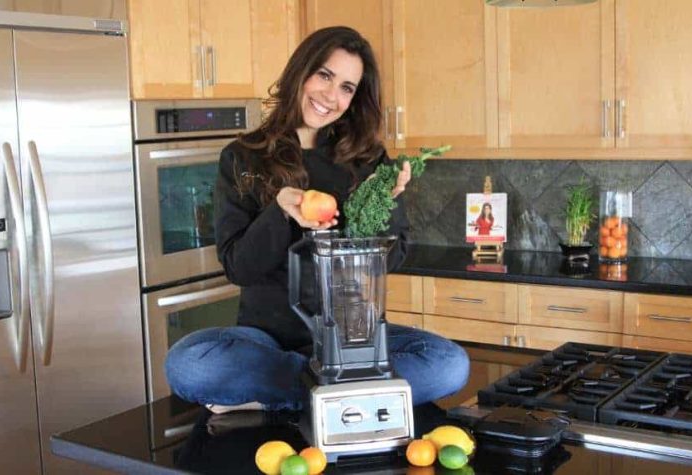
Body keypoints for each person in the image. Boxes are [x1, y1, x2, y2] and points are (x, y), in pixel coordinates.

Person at [165, 26, 469, 413]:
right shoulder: (243, 157)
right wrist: (279, 212)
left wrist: (385, 203)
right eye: (324, 75)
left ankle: (274, 394)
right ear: (301, 71)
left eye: (347, 87)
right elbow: (238, 266)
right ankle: (332, 392)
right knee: (188, 365)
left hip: (354, 341)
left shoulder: (367, 160)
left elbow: (394, 257)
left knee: (449, 364)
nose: (332, 96)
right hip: (265, 341)